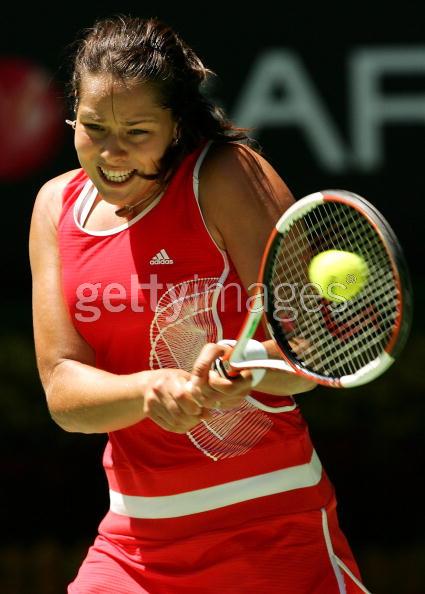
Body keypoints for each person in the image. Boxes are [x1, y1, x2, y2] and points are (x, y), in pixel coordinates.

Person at [29, 15, 371, 594]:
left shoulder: (226, 176)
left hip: (271, 531)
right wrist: (149, 389)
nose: (111, 152)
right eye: (93, 127)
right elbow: (63, 391)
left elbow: (311, 349)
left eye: (137, 131)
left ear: (176, 124)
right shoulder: (54, 207)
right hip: (133, 544)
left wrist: (250, 365)